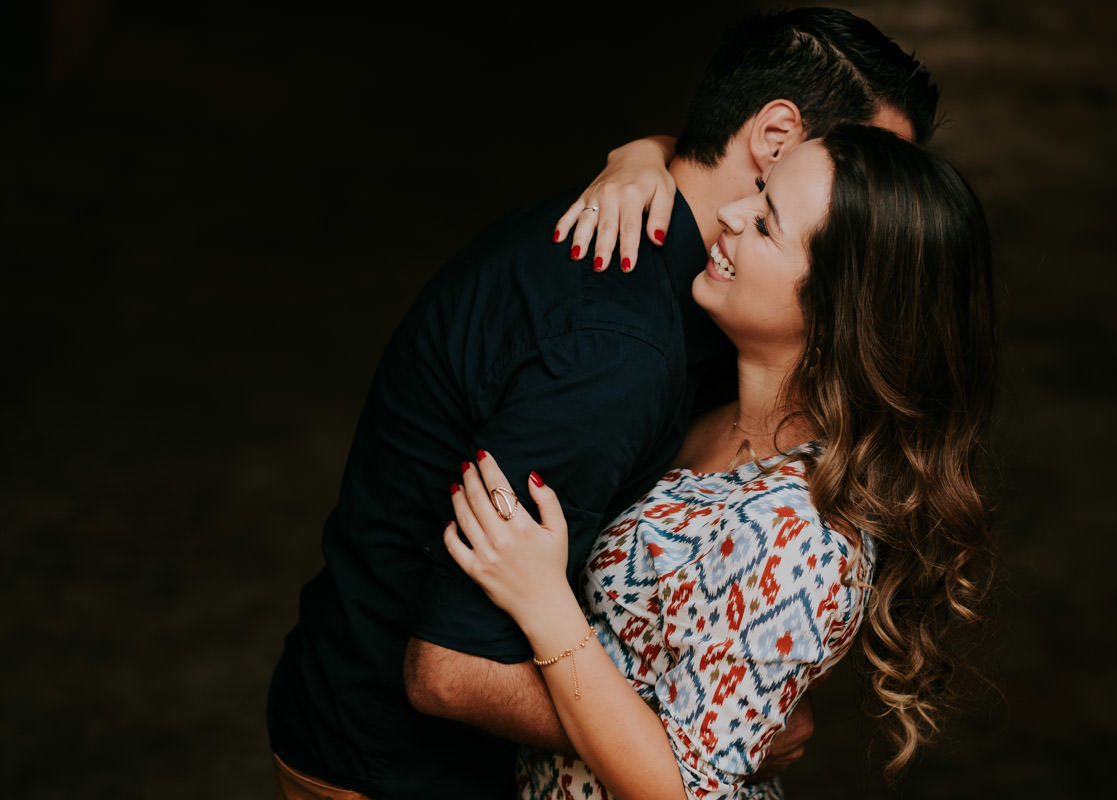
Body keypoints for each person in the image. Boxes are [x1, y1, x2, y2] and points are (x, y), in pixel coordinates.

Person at [267, 9, 940, 799]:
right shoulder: (622, 348)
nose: (887, 209)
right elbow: (453, 671)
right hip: (393, 767)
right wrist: (706, 733)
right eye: (868, 166)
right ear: (778, 142)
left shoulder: (695, 304)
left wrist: (647, 152)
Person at [446, 125, 997, 799]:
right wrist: (640, 156)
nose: (732, 214)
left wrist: (543, 603)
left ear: (834, 313)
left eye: (766, 225)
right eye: (759, 189)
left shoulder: (803, 536)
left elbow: (680, 790)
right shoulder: (712, 400)